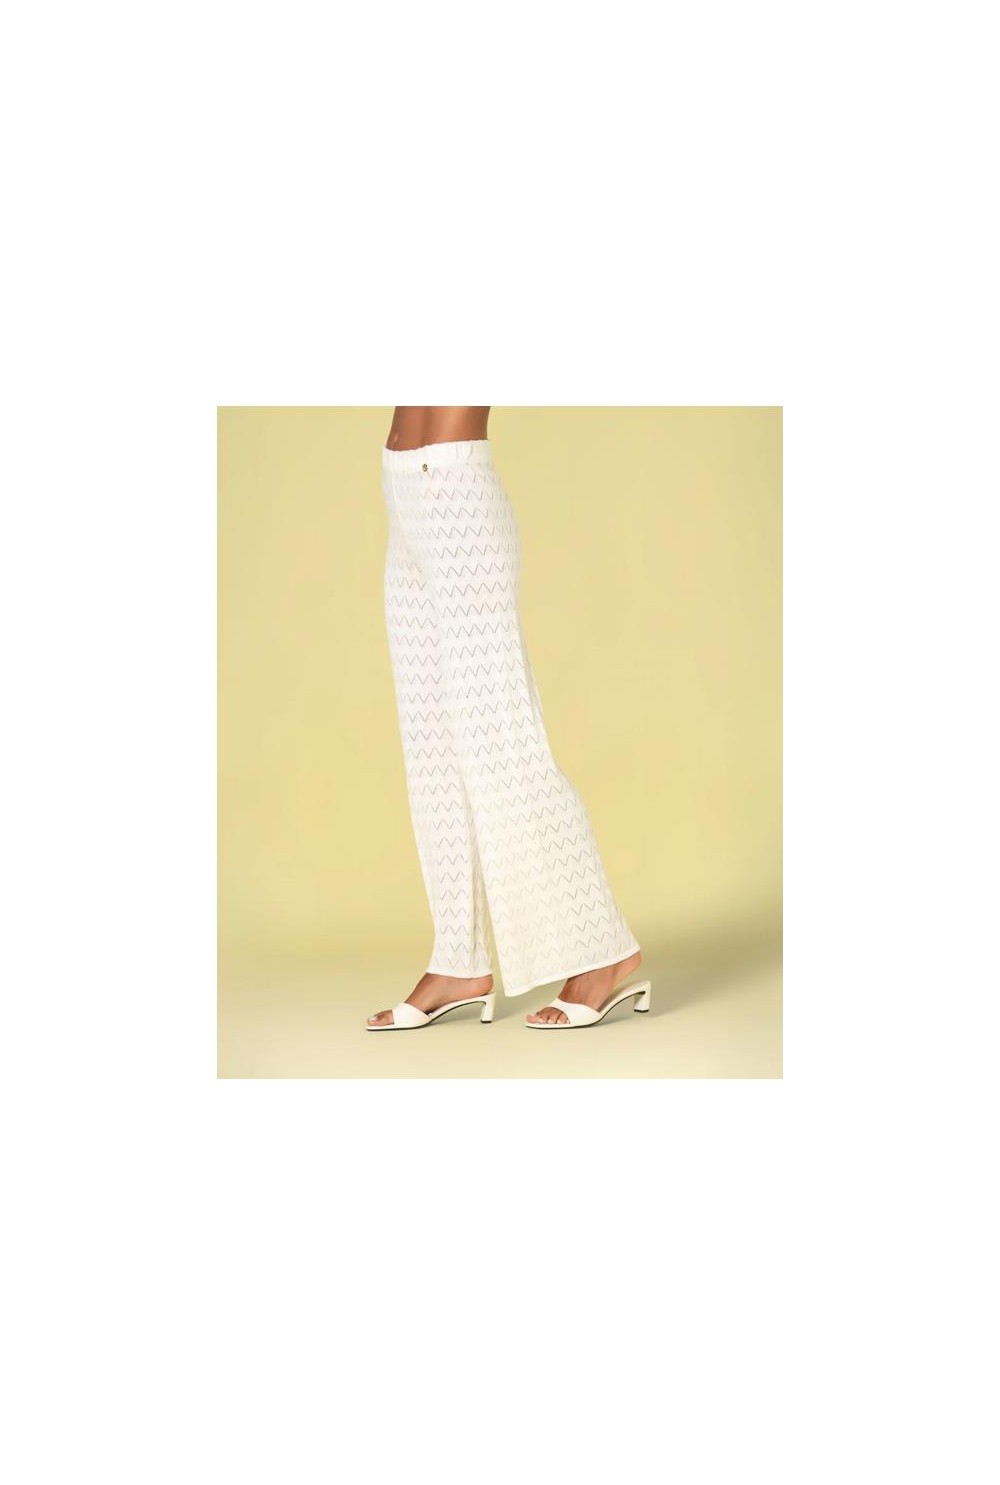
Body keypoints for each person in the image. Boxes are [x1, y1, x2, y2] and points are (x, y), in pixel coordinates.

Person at [367, 407, 650, 1031]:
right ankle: (457, 960)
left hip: (456, 501)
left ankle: (602, 949)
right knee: (433, 753)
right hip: (403, 499)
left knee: (504, 747)